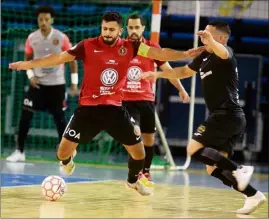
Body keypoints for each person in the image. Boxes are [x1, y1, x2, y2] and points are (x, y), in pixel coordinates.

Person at [9, 12, 204, 196]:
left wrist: (185, 54)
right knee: (61, 153)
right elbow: (58, 58)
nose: (107, 33)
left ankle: (132, 181)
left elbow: (159, 53)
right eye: (104, 29)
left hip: (114, 110)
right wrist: (27, 65)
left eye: (111, 30)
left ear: (120, 31)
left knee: (139, 154)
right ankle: (69, 159)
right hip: (87, 110)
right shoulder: (87, 45)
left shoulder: (131, 46)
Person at [142, 20, 267, 213]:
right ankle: (252, 195)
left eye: (209, 35)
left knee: (193, 148)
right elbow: (183, 71)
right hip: (228, 118)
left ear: (222, 38)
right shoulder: (204, 56)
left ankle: (239, 169)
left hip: (226, 115)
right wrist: (158, 75)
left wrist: (212, 41)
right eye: (203, 35)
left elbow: (223, 51)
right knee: (213, 168)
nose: (204, 38)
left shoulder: (226, 54)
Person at [6, 5, 78, 162]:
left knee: (60, 119)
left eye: (46, 19)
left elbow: (73, 60)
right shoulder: (32, 38)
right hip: (37, 85)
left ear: (52, 20)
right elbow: (27, 59)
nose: (43, 22)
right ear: (37, 21)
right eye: (40, 19)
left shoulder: (61, 37)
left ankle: (65, 156)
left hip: (56, 86)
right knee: (25, 116)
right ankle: (19, 151)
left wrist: (74, 83)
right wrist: (30, 75)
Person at [123, 14, 190, 181]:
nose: (133, 31)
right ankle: (135, 171)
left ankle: (145, 171)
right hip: (125, 101)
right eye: (130, 27)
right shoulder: (120, 47)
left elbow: (168, 70)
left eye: (137, 27)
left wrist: (181, 88)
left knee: (149, 139)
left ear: (143, 28)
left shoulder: (150, 48)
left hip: (145, 100)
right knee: (134, 132)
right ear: (126, 28)